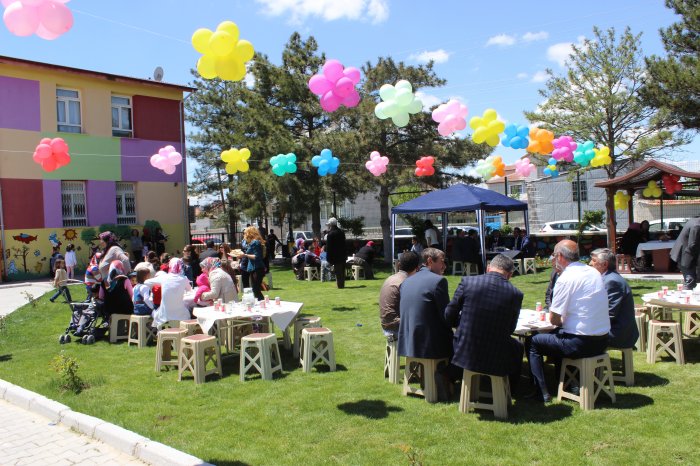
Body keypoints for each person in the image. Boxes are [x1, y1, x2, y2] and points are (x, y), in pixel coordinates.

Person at [529, 240, 610, 402]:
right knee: (556, 335)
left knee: (533, 342)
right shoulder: (593, 272)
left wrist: (556, 319)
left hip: (580, 343)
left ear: (559, 256)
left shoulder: (566, 278)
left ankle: (542, 392)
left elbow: (554, 319)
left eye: (554, 255)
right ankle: (567, 382)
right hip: (602, 340)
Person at [445, 254, 524, 394]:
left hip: (466, 348)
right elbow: (510, 328)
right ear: (510, 274)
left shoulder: (468, 282)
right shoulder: (515, 293)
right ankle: (512, 389)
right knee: (518, 347)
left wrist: (460, 324)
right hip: (496, 353)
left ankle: (451, 375)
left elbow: (450, 313)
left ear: (488, 268)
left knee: (453, 338)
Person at [397, 248, 453, 360]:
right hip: (428, 345)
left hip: (407, 343)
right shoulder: (438, 281)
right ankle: (450, 376)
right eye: (442, 262)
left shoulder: (406, 281)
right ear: (430, 261)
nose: (444, 266)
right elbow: (447, 316)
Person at [589, 248, 639, 349]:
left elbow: (609, 313)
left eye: (594, 261)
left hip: (618, 334)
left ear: (605, 264)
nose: (590, 263)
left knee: (573, 337)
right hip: (614, 329)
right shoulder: (607, 278)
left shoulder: (612, 281)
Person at [379, 252, 420, 339]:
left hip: (386, 324)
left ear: (398, 264)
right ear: (417, 268)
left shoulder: (391, 278)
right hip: (396, 328)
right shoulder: (407, 282)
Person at [146, 257, 192, 329]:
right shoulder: (184, 279)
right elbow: (190, 290)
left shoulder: (164, 277)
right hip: (181, 314)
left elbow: (146, 282)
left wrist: (157, 286)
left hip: (164, 315)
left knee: (157, 311)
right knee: (189, 310)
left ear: (170, 266)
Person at [670, 216, 700, 290]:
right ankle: (684, 299)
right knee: (690, 281)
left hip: (686, 253)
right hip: (686, 255)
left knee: (691, 281)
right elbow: (692, 245)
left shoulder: (695, 220)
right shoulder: (697, 225)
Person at [239, 226, 266, 300]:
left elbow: (256, 256)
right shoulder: (254, 242)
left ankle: (263, 303)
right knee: (256, 290)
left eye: (245, 233)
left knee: (256, 289)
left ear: (250, 233)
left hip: (257, 268)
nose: (244, 235)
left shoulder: (255, 242)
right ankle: (262, 304)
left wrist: (245, 255)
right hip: (254, 269)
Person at [325, 217, 347, 289]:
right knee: (342, 272)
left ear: (331, 225)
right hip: (342, 255)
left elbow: (329, 248)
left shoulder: (330, 234)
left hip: (335, 256)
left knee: (338, 272)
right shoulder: (341, 232)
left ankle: (340, 286)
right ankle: (341, 284)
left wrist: (328, 259)